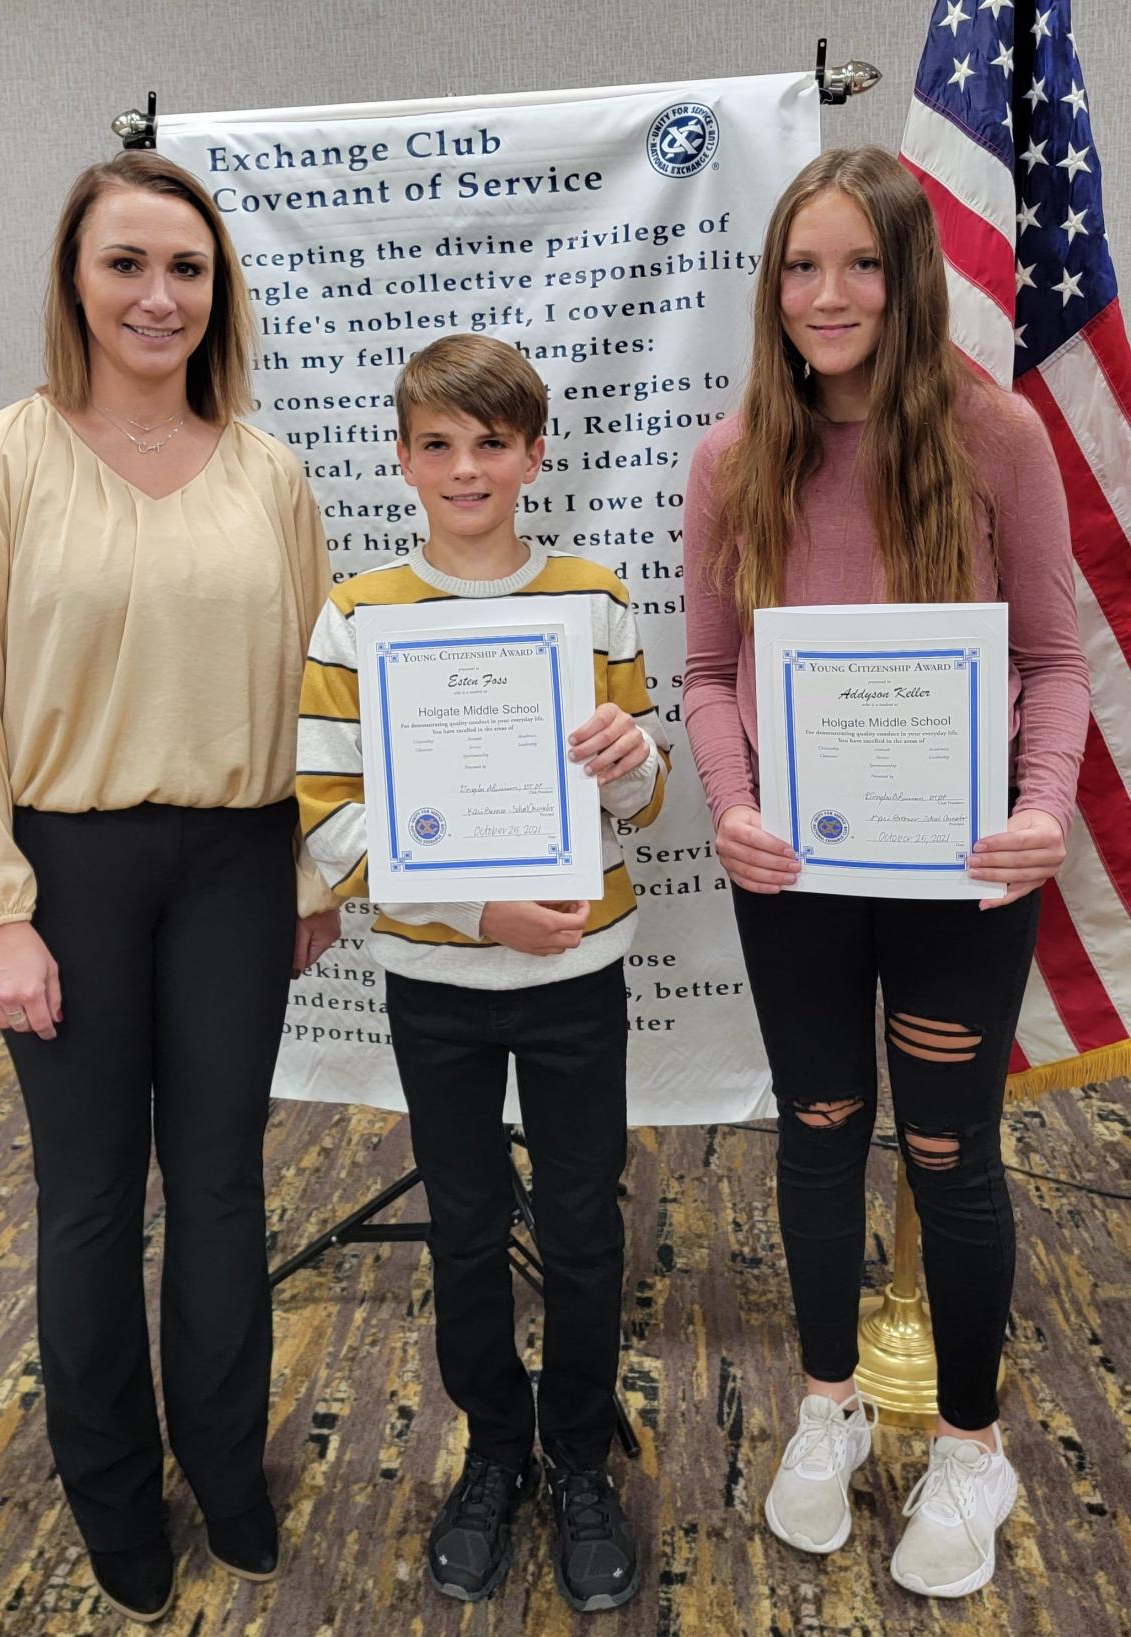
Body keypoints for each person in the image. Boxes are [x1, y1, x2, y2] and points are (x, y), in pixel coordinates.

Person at [0, 151, 340, 1624]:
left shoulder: (271, 473)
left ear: (219, 291)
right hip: (65, 865)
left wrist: (308, 868)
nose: (159, 296)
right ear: (74, 282)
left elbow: (307, 695)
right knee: (90, 1198)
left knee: (220, 1188)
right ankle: (107, 1483)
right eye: (126, 265)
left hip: (234, 857)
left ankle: (224, 1466)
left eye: (187, 269)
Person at [682, 147, 1088, 1600]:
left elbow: (1050, 662)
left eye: (859, 263)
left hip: (957, 871)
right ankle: (827, 1407)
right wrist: (729, 804)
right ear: (771, 285)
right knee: (813, 1128)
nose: (827, 293)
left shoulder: (998, 439)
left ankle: (971, 1444)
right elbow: (709, 674)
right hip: (791, 869)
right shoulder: (734, 457)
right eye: (801, 264)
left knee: (946, 1151)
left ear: (910, 276)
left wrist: (1042, 807)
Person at [296, 333, 669, 1612]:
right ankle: (493, 1450)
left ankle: (577, 1456)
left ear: (534, 452)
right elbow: (328, 813)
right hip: (437, 981)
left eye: (491, 443)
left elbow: (647, 805)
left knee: (579, 1223)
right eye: (439, 445)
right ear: (401, 459)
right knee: (463, 1227)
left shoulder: (596, 597)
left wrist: (632, 759)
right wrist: (474, 905)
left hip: (576, 972)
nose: (466, 467)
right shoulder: (357, 613)